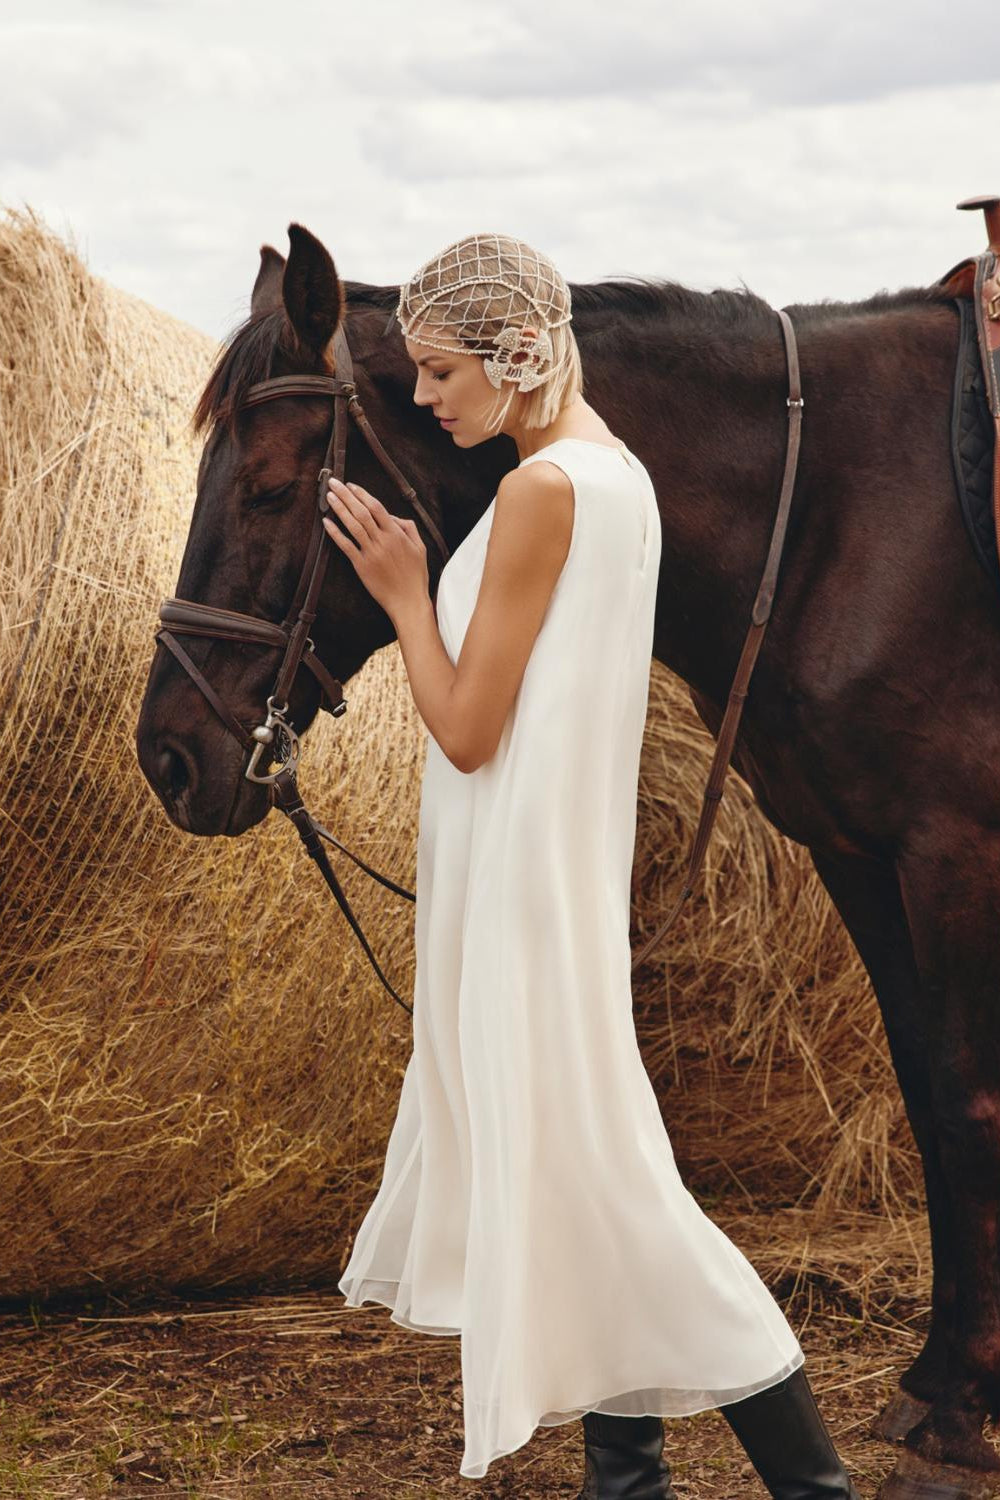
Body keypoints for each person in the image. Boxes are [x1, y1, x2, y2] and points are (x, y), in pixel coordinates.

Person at [330, 232, 861, 1499]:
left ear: (516, 356)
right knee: (582, 1192)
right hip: (542, 887)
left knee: (619, 1198)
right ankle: (627, 1484)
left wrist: (406, 594)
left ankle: (816, 1489)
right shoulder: (611, 472)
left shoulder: (542, 494)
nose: (422, 397)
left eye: (441, 370)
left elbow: (467, 730)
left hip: (522, 900)